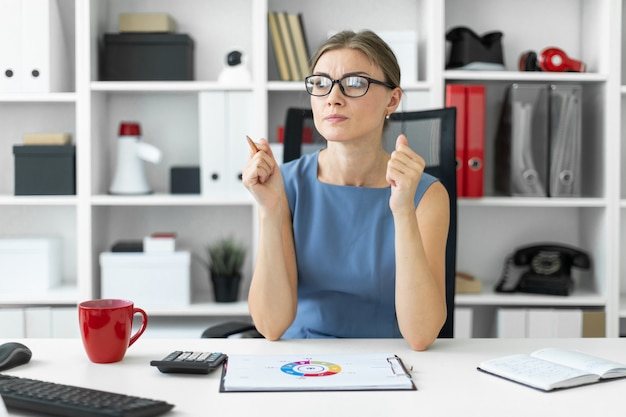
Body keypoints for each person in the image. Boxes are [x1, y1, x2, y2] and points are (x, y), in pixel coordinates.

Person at [242, 30, 449, 351]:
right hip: (303, 361)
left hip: (390, 361)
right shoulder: (285, 184)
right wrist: (270, 210)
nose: (332, 98)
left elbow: (421, 336)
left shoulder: (426, 195)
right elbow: (270, 326)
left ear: (392, 100)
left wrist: (403, 210)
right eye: (321, 83)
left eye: (354, 83)